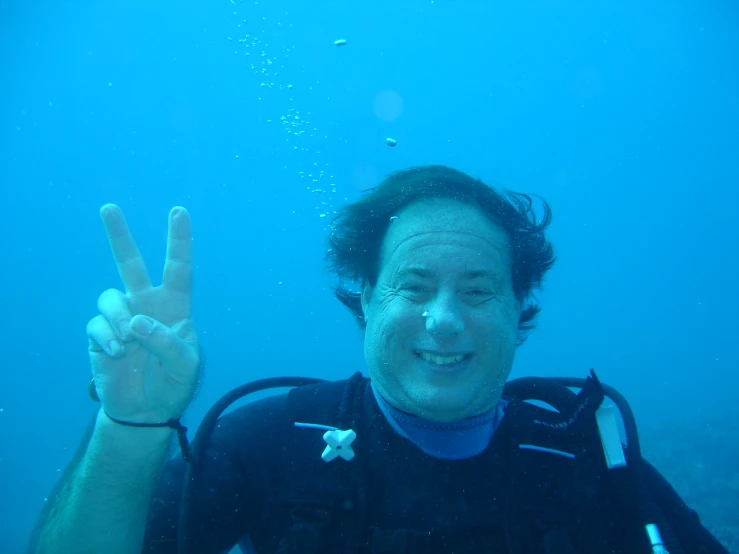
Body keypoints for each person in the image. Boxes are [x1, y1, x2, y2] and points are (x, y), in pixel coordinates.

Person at [28, 165, 727, 554]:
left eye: (479, 290)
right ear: (365, 299)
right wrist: (128, 427)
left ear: (521, 312)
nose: (444, 320)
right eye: (413, 287)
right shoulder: (268, 445)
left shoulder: (585, 461)